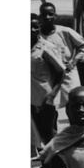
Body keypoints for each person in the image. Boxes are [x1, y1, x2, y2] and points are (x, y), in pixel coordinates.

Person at [39, 2, 84, 107]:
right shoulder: (37, 36)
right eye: (44, 14)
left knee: (70, 103)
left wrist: (73, 62)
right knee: (48, 106)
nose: (47, 17)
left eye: (50, 14)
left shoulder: (65, 32)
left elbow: (82, 45)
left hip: (65, 75)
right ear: (40, 16)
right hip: (46, 76)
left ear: (55, 15)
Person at [31, 13, 65, 153]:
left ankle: (60, 162)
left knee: (48, 133)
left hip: (44, 99)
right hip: (30, 99)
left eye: (35, 26)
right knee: (36, 133)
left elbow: (61, 71)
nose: (32, 30)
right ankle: (47, 165)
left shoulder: (46, 47)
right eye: (29, 27)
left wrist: (52, 96)